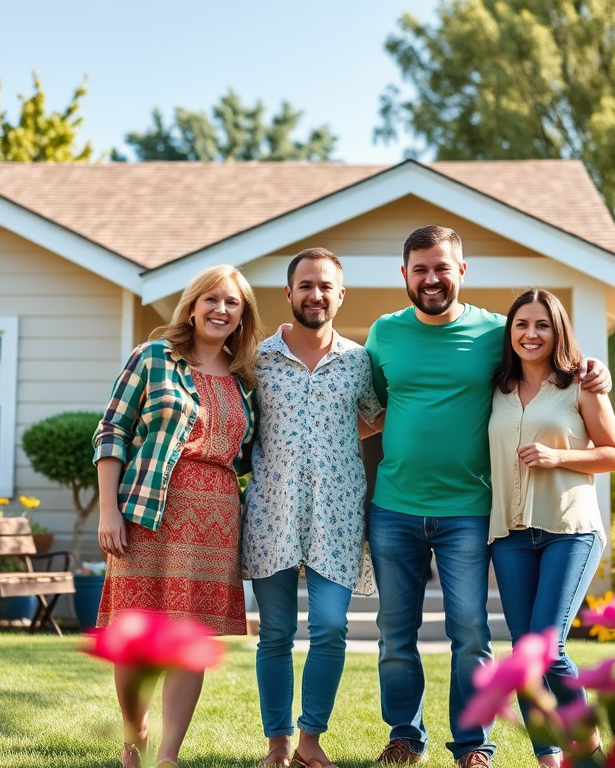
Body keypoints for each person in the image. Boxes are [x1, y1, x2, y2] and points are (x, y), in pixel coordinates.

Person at [364, 226, 610, 768]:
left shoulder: (494, 332)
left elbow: (545, 353)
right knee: (394, 633)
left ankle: (472, 746)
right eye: (421, 269)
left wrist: (595, 370)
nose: (432, 279)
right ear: (404, 274)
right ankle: (405, 735)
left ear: (461, 271)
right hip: (395, 507)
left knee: (472, 633)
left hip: (471, 512)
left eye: (442, 268)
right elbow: (377, 406)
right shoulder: (384, 333)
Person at [92, 264, 263, 768]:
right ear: (192, 305)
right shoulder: (152, 358)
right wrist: (108, 510)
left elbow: (255, 453)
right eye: (211, 300)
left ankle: (167, 756)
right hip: (147, 509)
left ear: (242, 316)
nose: (221, 310)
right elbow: (111, 432)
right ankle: (134, 733)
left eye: (232, 303)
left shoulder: (245, 379)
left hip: (215, 519)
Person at [242, 248, 384, 768]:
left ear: (340, 295)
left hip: (339, 515)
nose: (316, 294)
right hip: (271, 513)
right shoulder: (256, 360)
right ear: (289, 293)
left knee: (330, 626)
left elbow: (372, 416)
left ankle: (310, 738)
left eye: (326, 286)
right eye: (306, 285)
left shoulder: (359, 361)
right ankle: (278, 743)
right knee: (275, 632)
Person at [488, 288, 615, 768]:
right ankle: (548, 759)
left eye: (542, 325)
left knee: (548, 647)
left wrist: (558, 456)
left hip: (569, 530)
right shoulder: (497, 387)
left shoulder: (581, 384)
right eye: (522, 324)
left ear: (557, 330)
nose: (531, 334)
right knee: (526, 654)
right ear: (510, 331)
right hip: (510, 534)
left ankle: (588, 754)